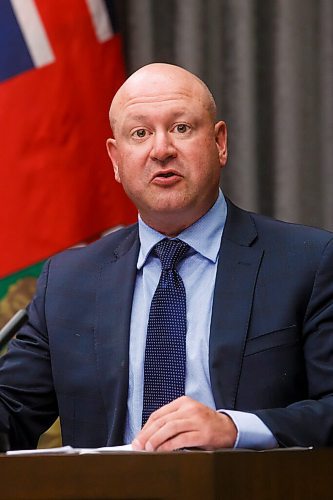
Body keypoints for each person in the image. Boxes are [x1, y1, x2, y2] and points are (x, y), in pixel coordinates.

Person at [1, 63, 333, 451]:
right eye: (140, 133)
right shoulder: (69, 280)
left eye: (181, 128)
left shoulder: (307, 262)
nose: (161, 150)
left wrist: (235, 429)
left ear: (219, 142)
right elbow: (11, 410)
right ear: (115, 159)